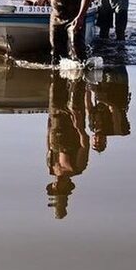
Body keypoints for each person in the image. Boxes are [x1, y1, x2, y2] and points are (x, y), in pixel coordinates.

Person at [45, 72, 90, 219]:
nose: (57, 186)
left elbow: (49, 147)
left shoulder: (51, 168)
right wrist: (79, 125)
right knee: (76, 85)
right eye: (60, 190)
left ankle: (71, 61)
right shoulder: (78, 168)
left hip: (57, 118)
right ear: (66, 188)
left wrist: (49, 123)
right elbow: (85, 143)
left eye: (55, 189)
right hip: (72, 122)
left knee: (55, 81)